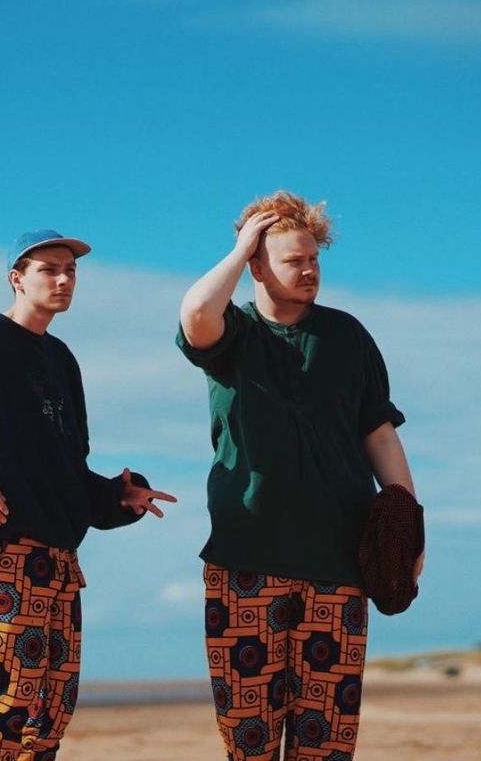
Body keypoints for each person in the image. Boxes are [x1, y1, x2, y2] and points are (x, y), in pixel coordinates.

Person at [176, 192, 422, 760]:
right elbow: (196, 313)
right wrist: (241, 248)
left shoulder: (347, 336)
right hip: (244, 559)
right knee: (249, 742)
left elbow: (380, 435)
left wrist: (408, 524)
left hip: (339, 563)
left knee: (326, 744)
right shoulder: (232, 333)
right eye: (293, 260)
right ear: (257, 268)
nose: (310, 270)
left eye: (314, 259)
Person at [0, 228, 176, 761]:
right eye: (49, 270)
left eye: (71, 271)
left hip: (61, 555)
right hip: (7, 545)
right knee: (11, 693)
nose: (64, 280)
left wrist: (118, 497)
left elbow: (68, 469)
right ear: (17, 279)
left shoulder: (61, 359)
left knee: (54, 703)